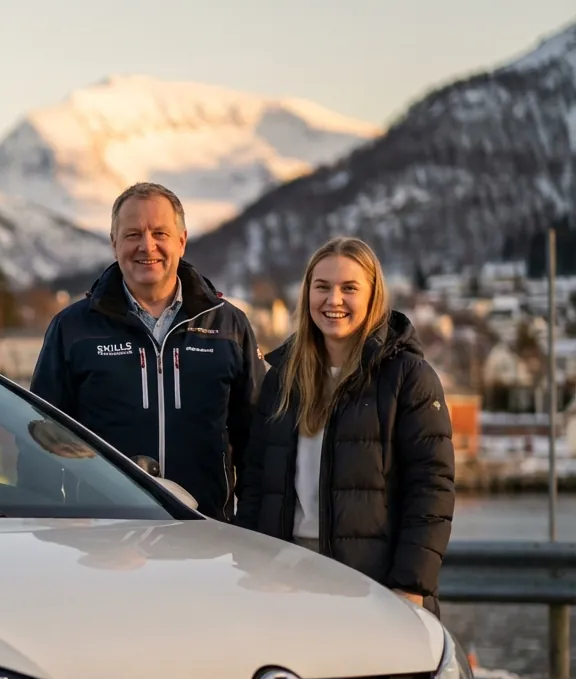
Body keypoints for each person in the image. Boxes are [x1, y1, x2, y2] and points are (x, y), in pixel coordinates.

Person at [234, 236, 455, 615]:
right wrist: (251, 566)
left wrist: (410, 585)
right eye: (322, 287)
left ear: (373, 297)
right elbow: (255, 485)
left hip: (374, 587)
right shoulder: (282, 378)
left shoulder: (407, 378)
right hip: (283, 582)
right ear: (307, 294)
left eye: (349, 288)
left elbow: (431, 490)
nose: (333, 300)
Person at [29, 182, 264, 520]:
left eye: (159, 233)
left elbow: (255, 443)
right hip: (103, 535)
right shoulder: (73, 329)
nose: (147, 245)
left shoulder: (228, 326)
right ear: (114, 243)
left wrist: (251, 526)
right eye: (133, 234)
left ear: (181, 241)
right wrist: (46, 527)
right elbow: (42, 441)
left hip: (205, 532)